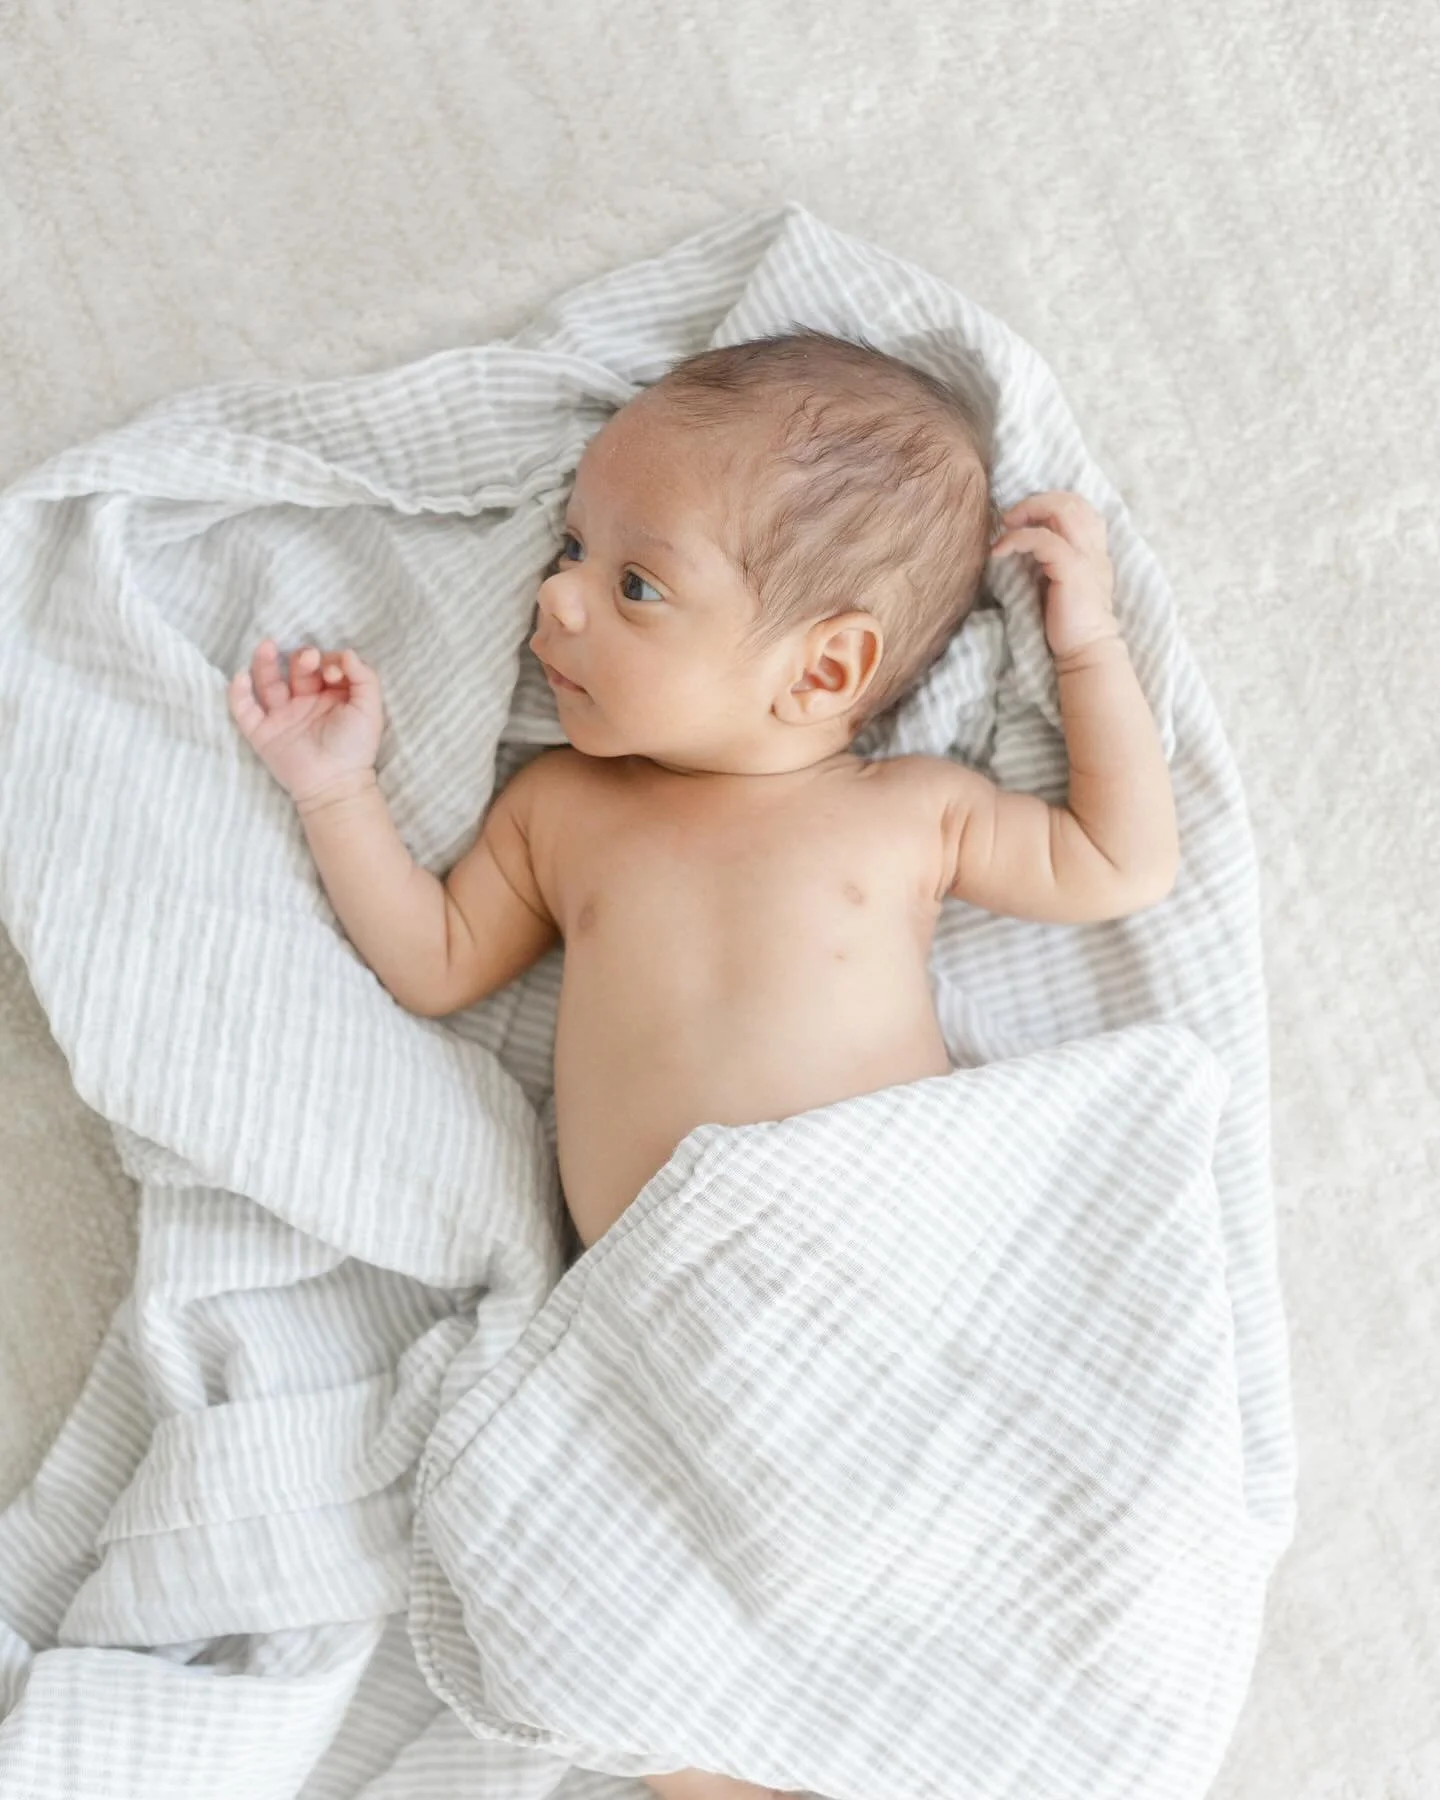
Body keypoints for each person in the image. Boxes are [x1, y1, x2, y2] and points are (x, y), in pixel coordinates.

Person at [228, 330, 1179, 1800]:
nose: (556, 596)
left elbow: (1122, 862)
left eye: (635, 584)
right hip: (663, 1340)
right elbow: (434, 961)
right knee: (643, 1610)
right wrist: (335, 790)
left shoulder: (910, 813)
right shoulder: (562, 812)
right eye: (572, 548)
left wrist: (1090, 649)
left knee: (930, 1576)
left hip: (870, 1300)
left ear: (827, 668)